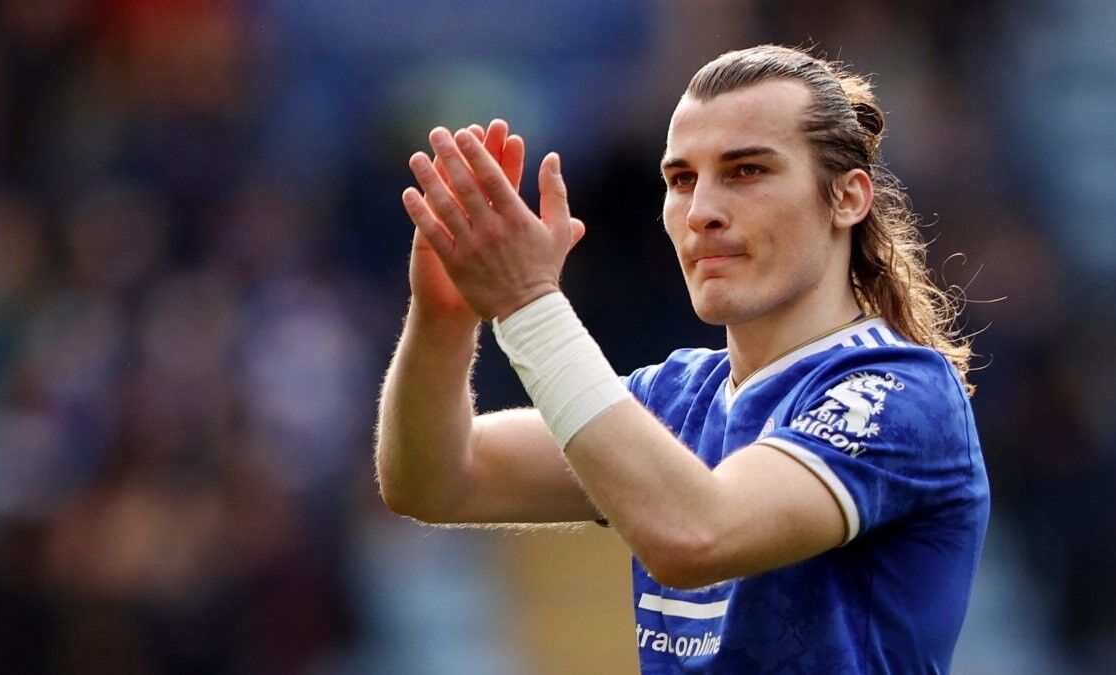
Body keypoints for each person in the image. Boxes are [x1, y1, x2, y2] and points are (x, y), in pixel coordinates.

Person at [375, 44, 989, 673]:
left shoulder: (900, 393)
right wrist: (444, 317)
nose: (701, 213)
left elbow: (697, 536)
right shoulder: (676, 398)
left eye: (747, 170)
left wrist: (529, 303)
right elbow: (437, 481)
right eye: (681, 180)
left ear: (848, 198)